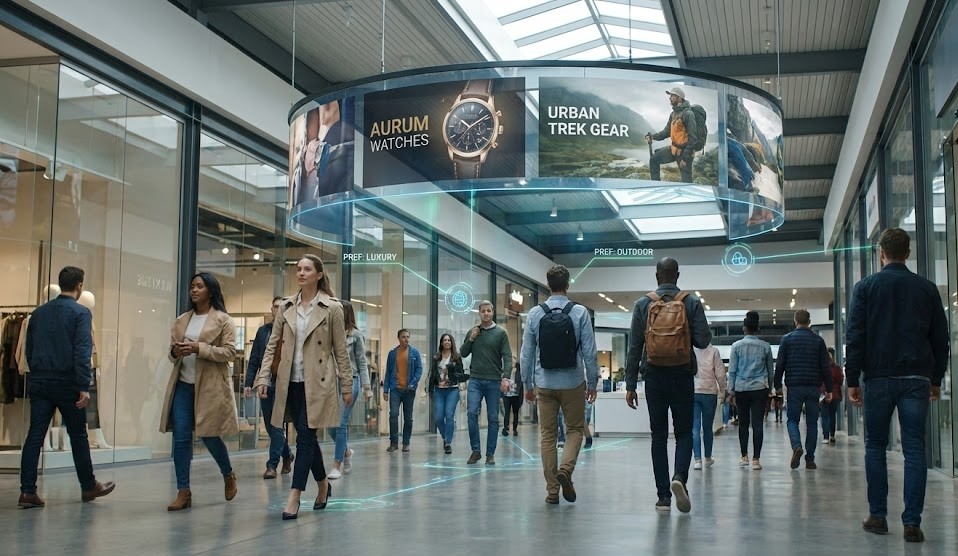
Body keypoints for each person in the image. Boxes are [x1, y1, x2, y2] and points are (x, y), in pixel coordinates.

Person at [845, 228, 948, 543]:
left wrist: (852, 379)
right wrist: (936, 378)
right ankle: (912, 522)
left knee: (875, 445)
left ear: (881, 253)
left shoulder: (866, 287)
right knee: (915, 447)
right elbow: (940, 339)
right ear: (908, 253)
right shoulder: (927, 289)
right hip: (917, 378)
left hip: (878, 377)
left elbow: (855, 336)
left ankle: (878, 516)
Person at [255, 255, 353, 520]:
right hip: (290, 382)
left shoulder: (332, 308)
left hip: (318, 383)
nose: (301, 273)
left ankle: (295, 495)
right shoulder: (287, 306)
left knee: (304, 439)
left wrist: (347, 384)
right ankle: (322, 485)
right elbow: (272, 345)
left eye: (307, 269)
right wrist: (263, 377)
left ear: (319, 275)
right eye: (298, 269)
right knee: (307, 438)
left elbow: (341, 351)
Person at [18, 266, 115, 509]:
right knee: (78, 435)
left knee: (34, 435)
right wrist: (84, 385)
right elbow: (82, 351)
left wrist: (38, 372)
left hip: (40, 381)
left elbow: (29, 350)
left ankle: (27, 492)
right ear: (79, 286)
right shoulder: (81, 313)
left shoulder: (38, 313)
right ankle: (88, 486)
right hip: (67, 382)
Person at [624, 257, 710, 513]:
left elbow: (634, 347)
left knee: (658, 436)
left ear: (656, 276)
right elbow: (704, 341)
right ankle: (679, 477)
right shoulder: (690, 302)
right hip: (682, 375)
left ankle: (663, 497)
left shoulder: (643, 304)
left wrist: (630, 384)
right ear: (678, 275)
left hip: (654, 377)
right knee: (684, 432)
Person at [160, 272, 239, 511]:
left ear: (210, 291)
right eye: (192, 286)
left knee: (209, 434)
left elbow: (230, 352)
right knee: (181, 437)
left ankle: (228, 473)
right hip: (183, 385)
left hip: (210, 386)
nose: (194, 290)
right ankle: (183, 491)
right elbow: (171, 354)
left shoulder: (224, 320)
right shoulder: (182, 320)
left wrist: (199, 348)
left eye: (200, 286)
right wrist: (175, 352)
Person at [521, 265, 598, 504]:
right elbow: (589, 351)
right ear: (568, 284)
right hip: (573, 382)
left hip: (544, 383)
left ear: (548, 284)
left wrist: (527, 384)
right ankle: (565, 469)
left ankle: (552, 491)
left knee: (548, 436)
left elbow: (526, 353)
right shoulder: (580, 312)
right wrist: (592, 382)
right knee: (574, 430)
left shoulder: (535, 313)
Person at [774, 309, 832, 470]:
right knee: (812, 423)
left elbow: (780, 364)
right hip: (813, 387)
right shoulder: (818, 340)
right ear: (809, 322)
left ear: (795, 321)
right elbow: (825, 367)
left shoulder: (787, 339)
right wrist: (829, 389)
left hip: (794, 386)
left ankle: (796, 446)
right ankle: (810, 459)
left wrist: (777, 385)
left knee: (792, 420)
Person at [244, 297, 293, 480]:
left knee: (277, 424)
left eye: (282, 307)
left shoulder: (290, 331)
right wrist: (249, 382)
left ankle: (272, 465)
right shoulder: (263, 332)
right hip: (266, 383)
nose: (278, 310)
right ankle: (287, 454)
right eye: (275, 307)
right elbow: (255, 358)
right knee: (270, 425)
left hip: (284, 383)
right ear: (271, 309)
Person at [461, 300, 513, 465]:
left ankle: (490, 454)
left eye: (488, 311)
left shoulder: (501, 333)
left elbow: (507, 357)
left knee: (493, 418)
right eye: (483, 311)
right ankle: (476, 451)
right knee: (471, 414)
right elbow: (463, 353)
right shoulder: (473, 331)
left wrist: (506, 377)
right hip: (475, 380)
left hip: (493, 381)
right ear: (479, 313)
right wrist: (471, 338)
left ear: (492, 312)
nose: (486, 313)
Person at [327, 301, 371, 479]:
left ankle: (336, 464)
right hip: (332, 382)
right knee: (330, 425)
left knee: (341, 422)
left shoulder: (356, 335)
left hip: (351, 380)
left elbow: (362, 362)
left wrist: (367, 387)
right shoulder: (331, 333)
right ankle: (346, 451)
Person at [728, 311, 773, 471]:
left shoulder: (736, 346)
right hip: (760, 388)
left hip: (741, 389)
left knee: (743, 424)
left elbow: (732, 370)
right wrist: (769, 388)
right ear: (757, 329)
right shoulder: (766, 347)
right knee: (757, 424)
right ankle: (756, 459)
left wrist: (731, 391)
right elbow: (770, 370)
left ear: (744, 328)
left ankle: (744, 456)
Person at [645, 87, 701, 182]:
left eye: (673, 95)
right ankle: (656, 185)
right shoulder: (673, 114)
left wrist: (686, 158)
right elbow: (667, 131)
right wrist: (653, 137)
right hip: (673, 149)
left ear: (680, 98)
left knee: (686, 181)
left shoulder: (688, 114)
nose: (670, 98)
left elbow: (693, 139)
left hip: (685, 153)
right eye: (670, 96)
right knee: (654, 159)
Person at [383, 329, 423, 453]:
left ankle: (406, 443)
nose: (406, 339)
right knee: (393, 415)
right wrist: (385, 390)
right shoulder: (392, 353)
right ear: (399, 338)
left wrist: (413, 383)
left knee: (408, 417)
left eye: (408, 337)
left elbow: (419, 369)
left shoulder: (414, 352)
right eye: (404, 337)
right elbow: (388, 372)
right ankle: (393, 442)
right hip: (395, 389)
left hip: (409, 390)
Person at [428, 333, 466, 454]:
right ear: (441, 343)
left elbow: (460, 374)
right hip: (439, 390)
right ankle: (445, 436)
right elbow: (432, 373)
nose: (447, 342)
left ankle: (448, 443)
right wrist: (430, 389)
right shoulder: (436, 357)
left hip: (452, 390)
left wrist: (451, 373)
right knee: (438, 418)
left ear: (452, 342)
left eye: (449, 340)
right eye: (444, 340)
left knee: (449, 415)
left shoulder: (456, 357)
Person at [692, 343, 726, 470]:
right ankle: (707, 458)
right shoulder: (714, 351)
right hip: (710, 392)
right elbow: (720, 374)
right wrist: (722, 390)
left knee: (695, 427)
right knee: (707, 427)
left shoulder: (691, 350)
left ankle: (697, 460)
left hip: (694, 391)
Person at [820, 347, 844, 444]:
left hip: (824, 394)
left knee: (824, 416)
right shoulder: (837, 368)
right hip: (835, 395)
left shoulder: (821, 367)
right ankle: (832, 435)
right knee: (832, 415)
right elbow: (840, 381)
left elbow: (819, 381)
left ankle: (826, 437)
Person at [501, 361, 523, 437]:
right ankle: (505, 428)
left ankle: (515, 429)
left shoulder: (519, 372)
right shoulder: (505, 373)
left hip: (516, 396)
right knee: (506, 412)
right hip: (507, 395)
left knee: (515, 413)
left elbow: (520, 384)